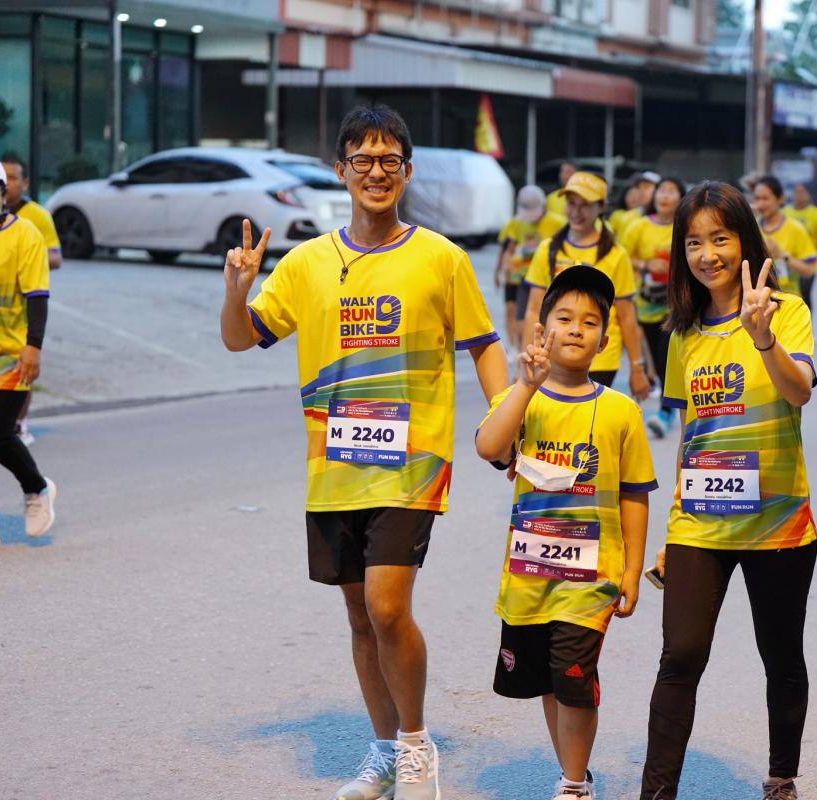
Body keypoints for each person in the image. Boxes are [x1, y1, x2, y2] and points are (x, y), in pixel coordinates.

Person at [219, 105, 508, 800]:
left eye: (388, 161)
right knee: (358, 616)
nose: (375, 172)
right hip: (333, 471)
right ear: (341, 170)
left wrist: (506, 421)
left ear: (406, 172)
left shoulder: (441, 258)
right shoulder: (306, 263)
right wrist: (237, 290)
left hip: (412, 466)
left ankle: (415, 744)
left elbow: (483, 345)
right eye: (362, 160)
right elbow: (239, 338)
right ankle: (382, 749)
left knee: (385, 607)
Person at [641, 181, 817, 800]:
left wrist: (762, 337)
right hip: (701, 522)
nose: (707, 254)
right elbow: (690, 437)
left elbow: (799, 391)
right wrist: (671, 530)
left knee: (781, 655)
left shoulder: (786, 311)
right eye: (693, 242)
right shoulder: (683, 333)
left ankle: (781, 779)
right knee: (680, 656)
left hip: (779, 524)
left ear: (745, 240)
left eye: (720, 238)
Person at [476, 266, 657, 800]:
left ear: (605, 339)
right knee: (549, 681)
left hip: (590, 580)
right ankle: (572, 771)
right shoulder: (521, 398)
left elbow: (635, 494)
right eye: (564, 318)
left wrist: (632, 571)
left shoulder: (620, 412)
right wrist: (525, 386)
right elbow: (489, 447)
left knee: (575, 680)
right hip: (528, 576)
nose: (576, 329)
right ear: (542, 329)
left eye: (590, 322)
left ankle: (574, 784)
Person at [0, 156, 57, 555]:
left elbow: (37, 295)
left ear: (3, 193)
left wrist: (33, 346)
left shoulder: (25, 234)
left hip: (9, 354)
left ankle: (36, 487)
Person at [522, 172, 649, 403]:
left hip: (601, 360)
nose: (576, 212)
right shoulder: (547, 249)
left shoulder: (616, 254)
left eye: (585, 205)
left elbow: (627, 315)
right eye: (571, 203)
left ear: (601, 207)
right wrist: (527, 358)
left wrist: (636, 367)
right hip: (554, 355)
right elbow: (533, 308)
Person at [1, 153, 61, 447]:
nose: (7, 184)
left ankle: (18, 422)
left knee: (22, 365)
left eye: (13, 178)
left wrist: (20, 260)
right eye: (2, 178)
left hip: (25, 306)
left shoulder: (37, 216)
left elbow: (56, 258)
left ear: (25, 183)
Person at [620, 176, 686, 437]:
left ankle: (666, 410)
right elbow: (622, 256)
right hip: (647, 303)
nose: (664, 196)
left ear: (681, 198)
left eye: (671, 191)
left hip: (677, 304)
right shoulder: (638, 226)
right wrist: (646, 264)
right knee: (658, 360)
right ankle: (670, 404)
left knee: (668, 354)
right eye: (661, 191)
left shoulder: (685, 227)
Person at [497, 186, 565, 352]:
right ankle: (522, 350)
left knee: (548, 316)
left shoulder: (558, 223)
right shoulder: (517, 223)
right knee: (522, 315)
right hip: (523, 277)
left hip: (549, 279)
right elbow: (510, 249)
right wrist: (504, 268)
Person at [752, 177, 817, 305]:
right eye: (757, 199)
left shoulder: (795, 228)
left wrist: (782, 255)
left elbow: (809, 271)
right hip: (758, 302)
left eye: (765, 198)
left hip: (788, 302)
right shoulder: (751, 227)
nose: (760, 204)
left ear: (780, 199)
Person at [784, 182, 817, 310]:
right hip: (787, 262)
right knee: (786, 296)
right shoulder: (785, 212)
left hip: (808, 262)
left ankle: (806, 321)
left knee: (804, 295)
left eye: (802, 192)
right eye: (796, 192)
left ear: (808, 194)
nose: (799, 195)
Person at [608, 171, 660, 237]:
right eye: (639, 187)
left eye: (646, 187)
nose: (641, 191)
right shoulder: (628, 217)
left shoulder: (667, 220)